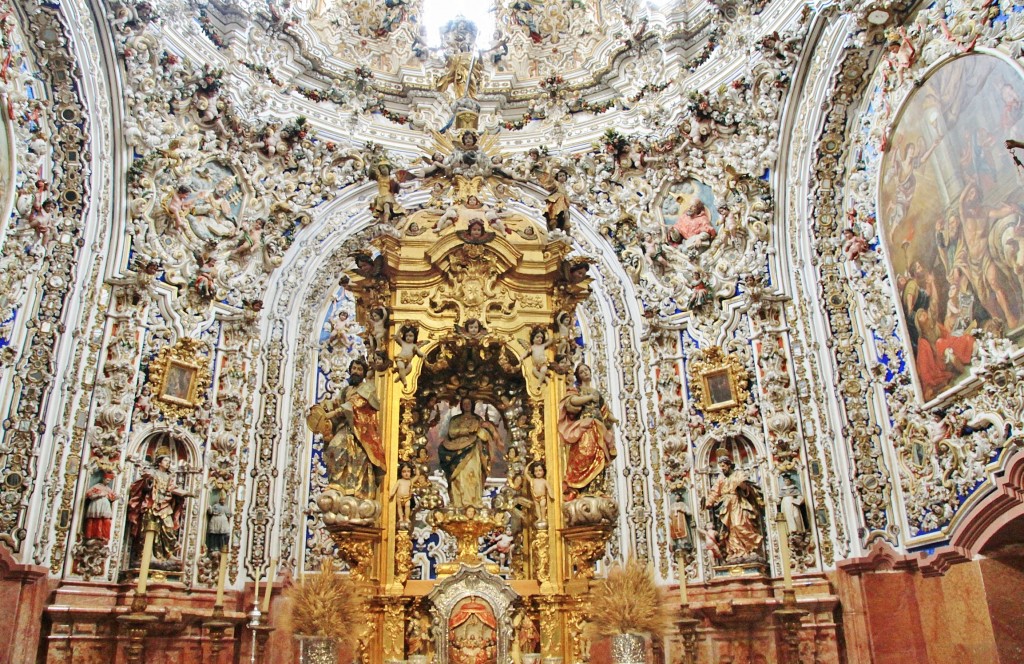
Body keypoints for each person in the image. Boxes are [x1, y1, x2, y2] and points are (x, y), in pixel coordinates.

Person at [306, 358, 386, 499]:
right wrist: (323, 408)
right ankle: (338, 483)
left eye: (359, 369)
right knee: (334, 448)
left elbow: (354, 404)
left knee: (355, 456)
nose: (356, 371)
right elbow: (336, 403)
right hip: (346, 427)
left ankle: (355, 488)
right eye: (354, 368)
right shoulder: (346, 390)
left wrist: (334, 412)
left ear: (364, 373)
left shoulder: (368, 388)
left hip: (361, 432)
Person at [558, 364, 616, 495]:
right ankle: (583, 488)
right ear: (578, 376)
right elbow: (571, 401)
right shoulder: (577, 390)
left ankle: (596, 488)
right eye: (581, 372)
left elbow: (604, 410)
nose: (585, 373)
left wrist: (613, 419)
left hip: (599, 427)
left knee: (600, 455)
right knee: (585, 454)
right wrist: (588, 398)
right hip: (586, 426)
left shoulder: (596, 392)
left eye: (586, 370)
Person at [127, 455, 193, 565]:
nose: (168, 463)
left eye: (170, 461)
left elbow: (172, 489)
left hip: (164, 505)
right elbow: (143, 487)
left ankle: (168, 553)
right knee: (149, 528)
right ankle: (146, 553)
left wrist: (185, 493)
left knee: (168, 528)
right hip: (151, 504)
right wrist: (149, 481)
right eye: (166, 460)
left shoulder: (169, 476)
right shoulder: (152, 472)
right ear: (159, 462)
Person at [704, 451, 764, 562]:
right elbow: (714, 492)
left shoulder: (738, 474)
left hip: (738, 503)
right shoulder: (721, 479)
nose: (722, 469)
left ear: (729, 465)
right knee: (729, 530)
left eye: (723, 466)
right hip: (726, 507)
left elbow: (747, 488)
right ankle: (735, 552)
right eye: (720, 467)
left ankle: (748, 550)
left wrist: (741, 484)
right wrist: (708, 502)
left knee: (739, 525)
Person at [438, 397, 495, 508]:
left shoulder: (478, 419)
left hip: (473, 450)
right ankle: (458, 503)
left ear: (472, 405)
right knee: (458, 476)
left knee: (472, 475)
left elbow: (484, 434)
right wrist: (467, 430)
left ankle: (473, 503)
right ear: (461, 405)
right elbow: (452, 432)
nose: (467, 405)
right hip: (456, 449)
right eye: (464, 403)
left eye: (469, 403)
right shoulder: (455, 419)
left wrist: (480, 431)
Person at [83, 473, 118, 542]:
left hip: (105, 506)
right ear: (103, 479)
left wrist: (116, 497)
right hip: (96, 505)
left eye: (109, 481)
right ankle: (92, 535)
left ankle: (103, 536)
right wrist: (99, 495)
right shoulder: (97, 486)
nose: (108, 482)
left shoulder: (108, 489)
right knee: (95, 519)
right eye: (107, 480)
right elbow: (89, 495)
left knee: (105, 520)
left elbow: (111, 498)